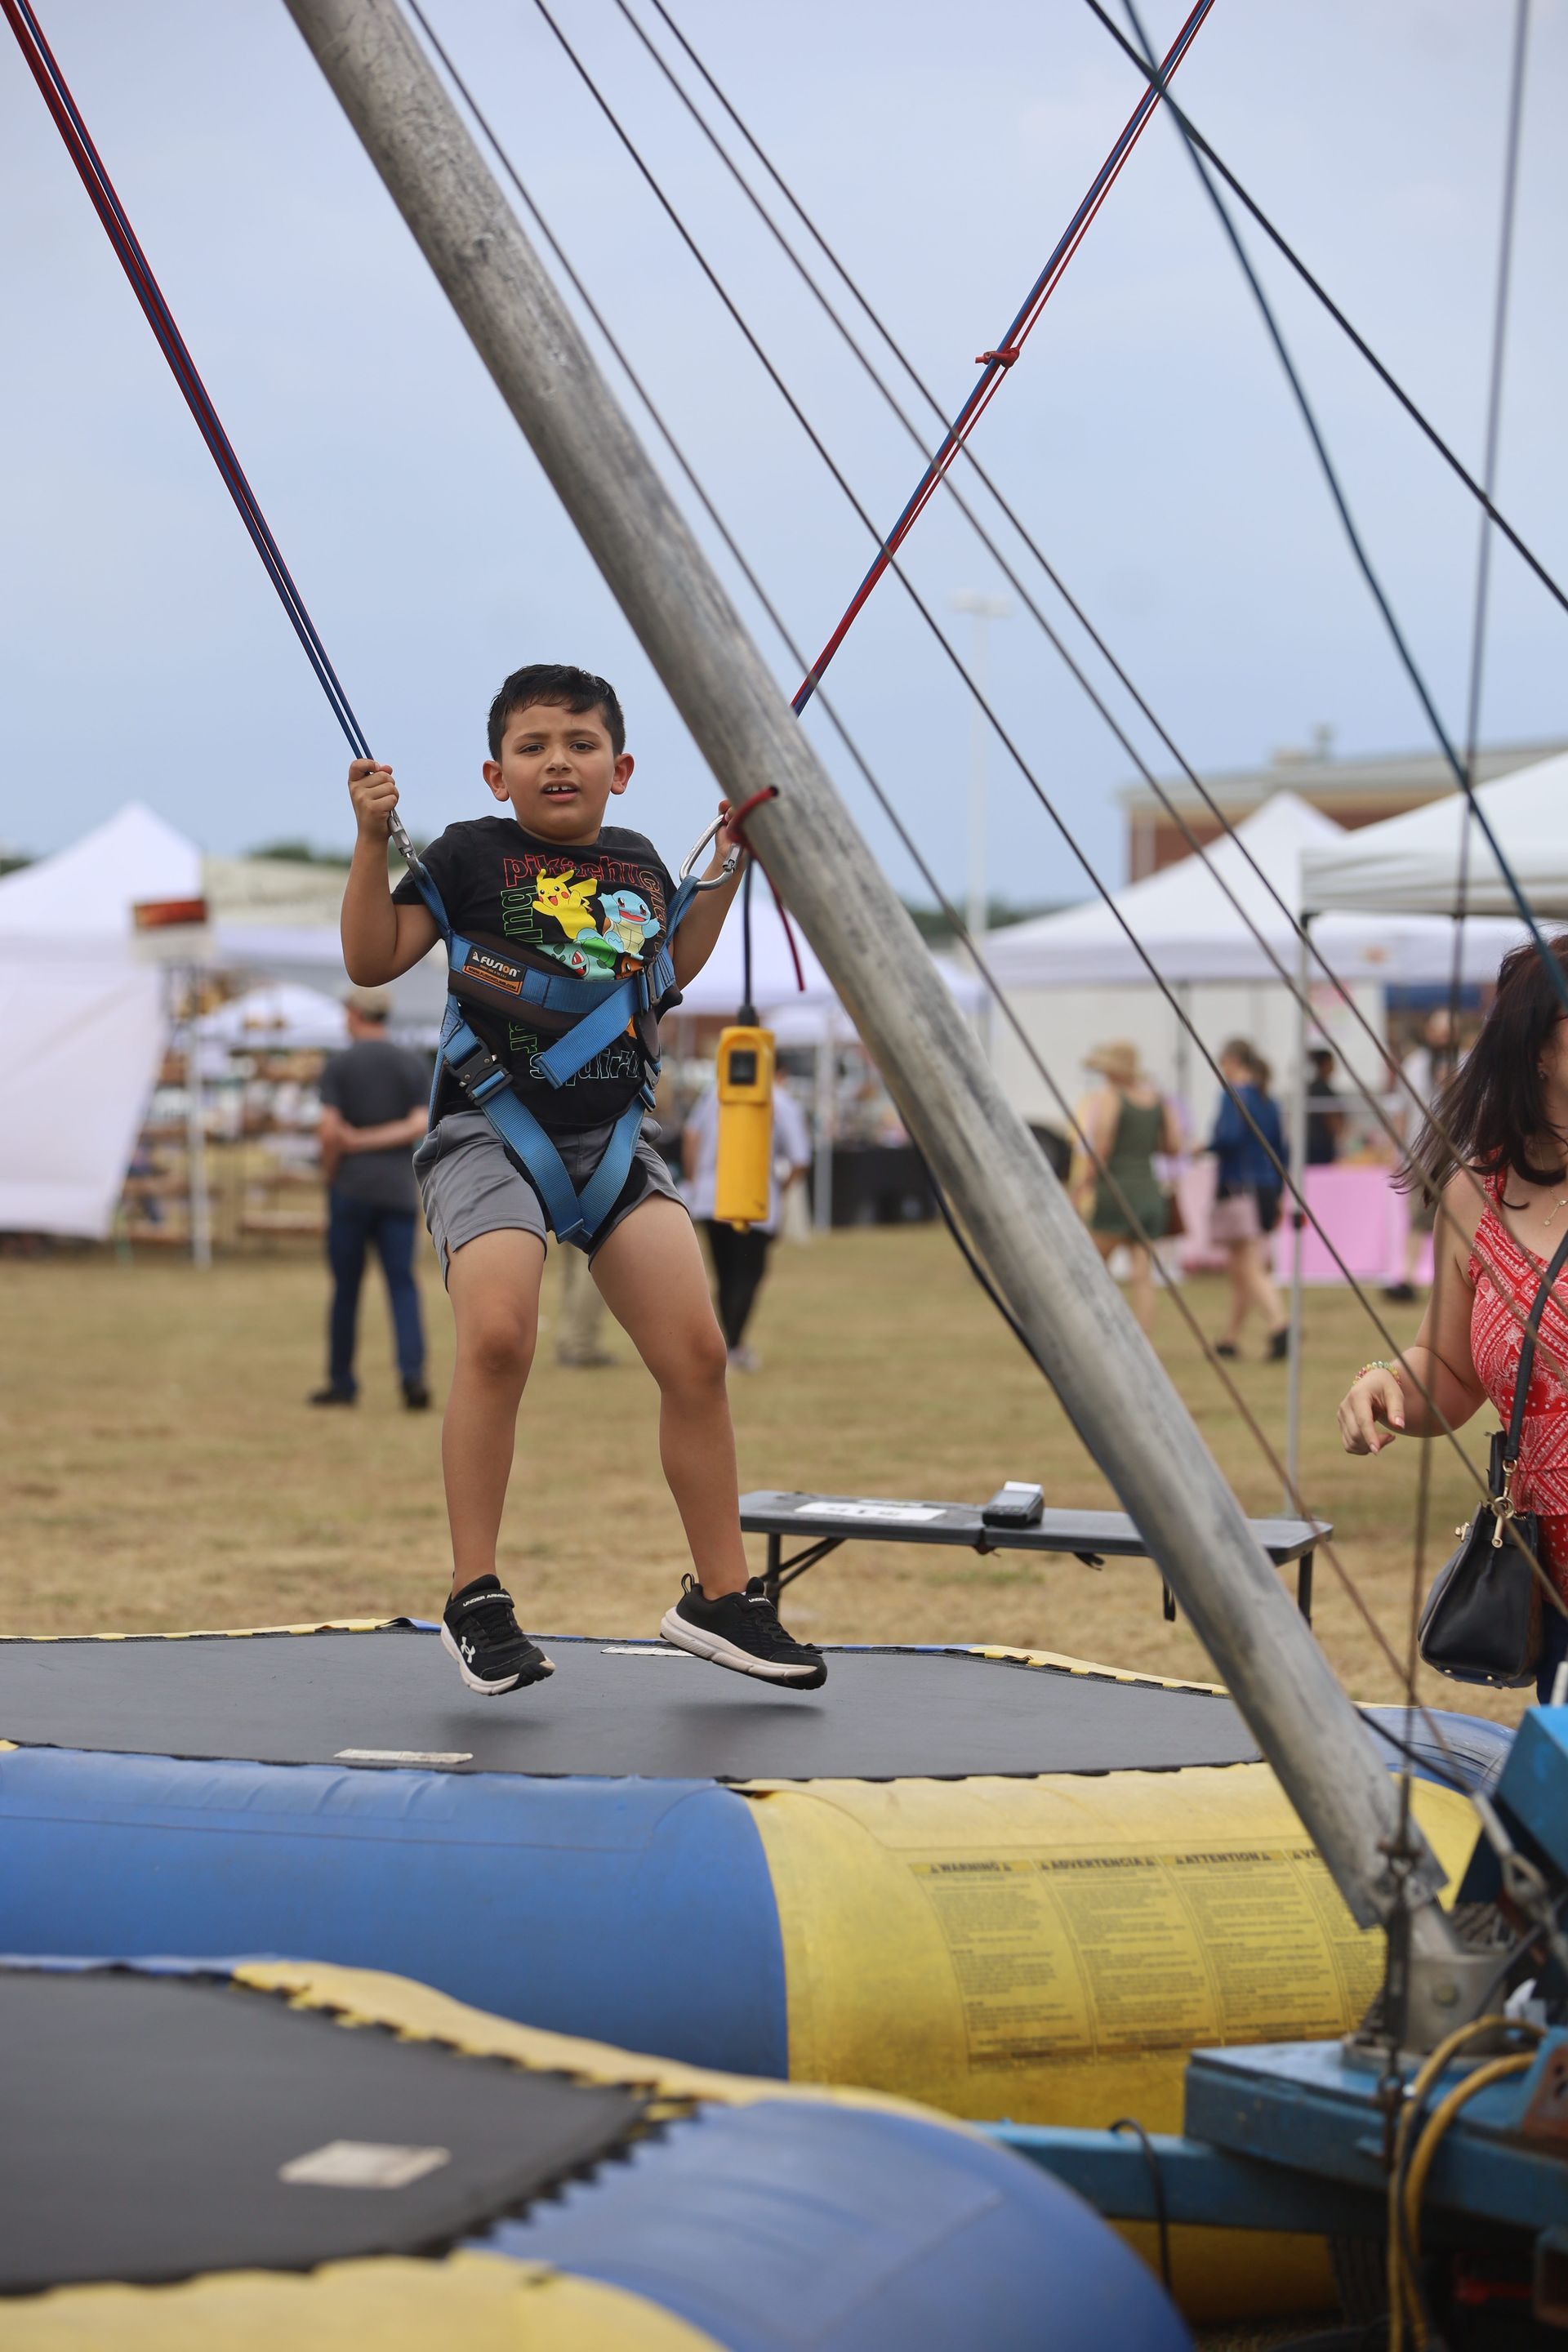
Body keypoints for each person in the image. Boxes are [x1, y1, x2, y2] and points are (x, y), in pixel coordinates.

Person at [340, 662, 824, 1697]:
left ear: (620, 765)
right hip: (490, 1134)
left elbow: (668, 970)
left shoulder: (645, 863)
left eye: (579, 743)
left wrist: (726, 865)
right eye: (533, 746)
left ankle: (720, 1600)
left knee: (697, 1354)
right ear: (495, 772)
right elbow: (373, 959)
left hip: (610, 1142)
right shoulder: (470, 855)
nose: (558, 760)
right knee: (502, 1333)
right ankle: (475, 1595)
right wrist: (372, 837)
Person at [1337, 938, 1568, 1704]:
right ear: (1538, 1047)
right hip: (1552, 1586)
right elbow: (1452, 1373)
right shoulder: (1474, 1197)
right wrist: (1379, 1383)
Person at [311, 989, 430, 1410]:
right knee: (402, 1285)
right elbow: (420, 1123)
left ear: (355, 1014)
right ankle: (412, 1377)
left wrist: (350, 1150)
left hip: (350, 1190)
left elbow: (330, 1131)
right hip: (398, 1189)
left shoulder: (339, 1066)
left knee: (346, 1289)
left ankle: (342, 1382)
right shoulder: (411, 1063)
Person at [682, 1072, 812, 1370]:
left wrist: (696, 1180)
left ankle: (728, 1344)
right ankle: (734, 1345)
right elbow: (800, 1159)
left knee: (725, 1274)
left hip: (710, 1198)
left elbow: (691, 1135)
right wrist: (778, 1192)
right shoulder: (780, 1100)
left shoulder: (716, 1092)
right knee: (747, 1274)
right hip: (753, 1199)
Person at [1072, 1041, 1179, 1337]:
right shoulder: (1158, 1099)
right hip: (1148, 1191)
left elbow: (1101, 1149)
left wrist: (1080, 1188)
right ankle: (1143, 1338)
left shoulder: (1109, 1099)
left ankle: (1094, 1331)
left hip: (1116, 1191)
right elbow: (1174, 1146)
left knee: (1093, 1267)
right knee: (1143, 1276)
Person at [1208, 1040, 1290, 1361]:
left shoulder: (1233, 1095)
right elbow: (1282, 1149)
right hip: (1267, 1185)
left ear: (1230, 1061)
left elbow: (1227, 1138)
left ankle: (1280, 1324)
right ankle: (1230, 1338)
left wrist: (1206, 1146)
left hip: (1239, 1186)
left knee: (1247, 1265)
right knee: (1241, 1267)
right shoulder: (1267, 1098)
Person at [1386, 1008, 1459, 1303]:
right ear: (1430, 1033)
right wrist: (1397, 1151)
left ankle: (1450, 1282)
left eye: (1448, 1033)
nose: (1442, 1038)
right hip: (1419, 1157)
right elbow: (1400, 1111)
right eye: (1438, 1032)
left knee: (1456, 1221)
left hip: (1459, 1159)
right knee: (1417, 1219)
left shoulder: (1467, 1064)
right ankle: (1406, 1278)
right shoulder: (1414, 1064)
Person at [1304, 1046, 1344, 1167]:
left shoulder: (1313, 1087)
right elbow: (1331, 1119)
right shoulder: (1322, 1089)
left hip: (1314, 1145)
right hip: (1320, 1147)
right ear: (1325, 1064)